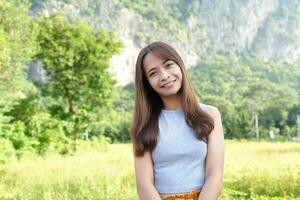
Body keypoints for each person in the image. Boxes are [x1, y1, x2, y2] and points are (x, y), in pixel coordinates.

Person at [130, 41, 224, 200]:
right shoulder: (144, 124)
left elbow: (215, 174)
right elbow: (144, 184)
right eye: (153, 73)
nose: (164, 76)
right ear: (147, 83)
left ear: (180, 66)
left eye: (168, 65)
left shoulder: (210, 114)